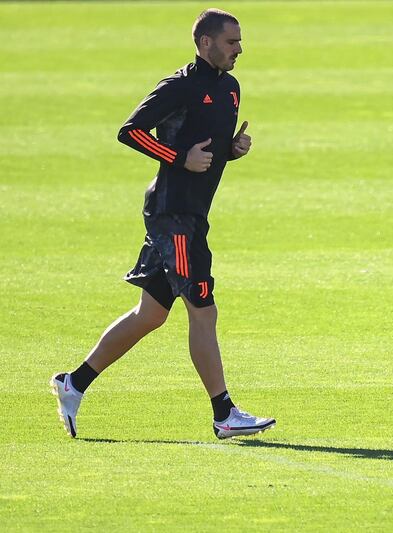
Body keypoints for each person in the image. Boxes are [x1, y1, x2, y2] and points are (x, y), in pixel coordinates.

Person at [50, 8, 275, 440]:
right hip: (174, 216)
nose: (240, 49)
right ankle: (224, 413)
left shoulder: (230, 88)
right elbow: (130, 131)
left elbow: (204, 144)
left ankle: (72, 383)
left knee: (150, 315)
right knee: (203, 310)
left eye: (240, 41)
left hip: (190, 214)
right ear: (205, 43)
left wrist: (231, 149)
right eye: (232, 42)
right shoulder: (179, 86)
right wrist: (178, 158)